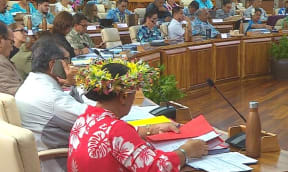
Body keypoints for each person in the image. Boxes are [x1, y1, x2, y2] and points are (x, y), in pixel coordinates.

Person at [67, 59, 209, 172]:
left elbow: (115, 139)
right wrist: (186, 151)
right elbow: (156, 167)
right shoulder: (117, 130)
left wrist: (151, 129)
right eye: (134, 94)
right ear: (123, 97)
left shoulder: (83, 119)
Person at [15, 35, 88, 172]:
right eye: (66, 60)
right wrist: (77, 84)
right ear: (53, 65)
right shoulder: (51, 98)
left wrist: (69, 84)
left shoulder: (32, 83)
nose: (70, 65)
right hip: (60, 162)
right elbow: (96, 120)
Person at [0, 21, 23, 95]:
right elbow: (19, 95)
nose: (12, 49)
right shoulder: (1, 64)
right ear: (0, 41)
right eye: (11, 43)